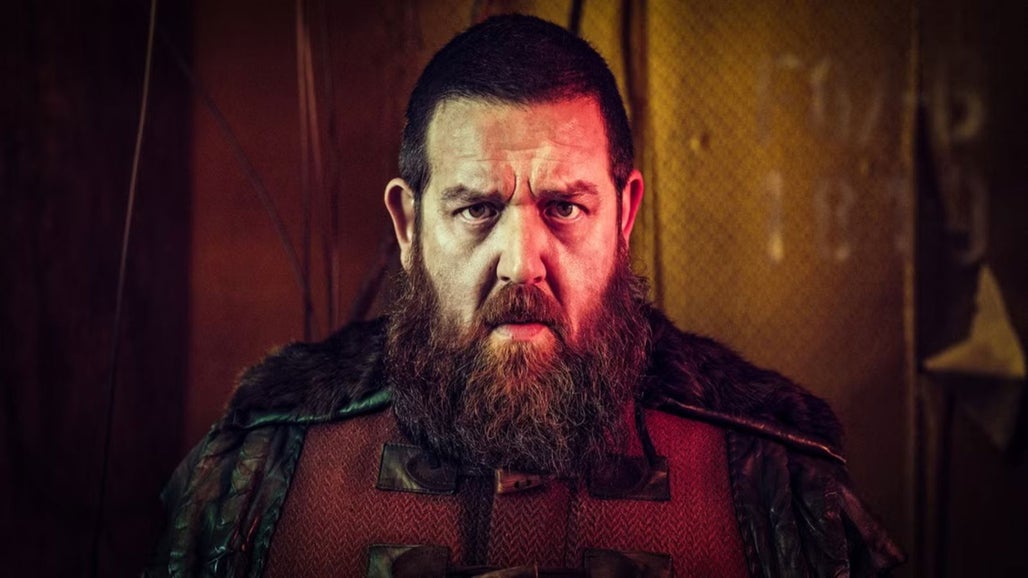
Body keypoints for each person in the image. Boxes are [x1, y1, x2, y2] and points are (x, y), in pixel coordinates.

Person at [147, 14, 903, 577]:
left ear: (625, 217)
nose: (521, 264)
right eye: (478, 209)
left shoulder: (777, 479)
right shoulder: (258, 470)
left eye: (564, 207)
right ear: (407, 225)